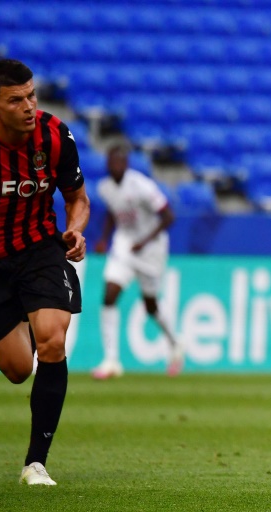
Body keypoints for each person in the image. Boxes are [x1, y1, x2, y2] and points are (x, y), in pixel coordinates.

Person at [0, 59, 89, 485]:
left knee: (52, 340)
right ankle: (26, 313)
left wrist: (75, 229)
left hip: (38, 249)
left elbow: (77, 198)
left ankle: (36, 463)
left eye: (31, 95)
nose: (29, 106)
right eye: (16, 100)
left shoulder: (55, 135)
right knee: (17, 369)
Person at [91, 143, 183, 379]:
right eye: (111, 162)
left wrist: (144, 241)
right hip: (124, 245)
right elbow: (113, 212)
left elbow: (168, 216)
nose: (115, 166)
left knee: (151, 306)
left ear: (126, 164)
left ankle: (175, 344)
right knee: (109, 294)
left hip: (151, 249)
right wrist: (104, 239)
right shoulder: (105, 187)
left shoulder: (142, 185)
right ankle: (111, 360)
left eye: (119, 162)